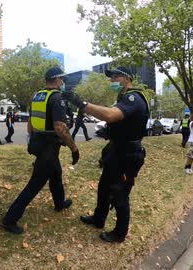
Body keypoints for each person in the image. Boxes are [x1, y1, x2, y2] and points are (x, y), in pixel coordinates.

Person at [63, 66, 149, 243]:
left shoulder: (134, 98)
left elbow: (110, 115)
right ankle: (98, 218)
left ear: (126, 79)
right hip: (116, 151)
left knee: (120, 194)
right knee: (103, 187)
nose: (111, 81)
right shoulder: (123, 98)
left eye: (115, 77)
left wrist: (82, 104)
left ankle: (119, 234)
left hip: (128, 155)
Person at [0, 67, 78, 235]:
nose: (63, 82)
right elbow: (60, 127)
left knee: (56, 173)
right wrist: (73, 147)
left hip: (38, 141)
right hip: (49, 146)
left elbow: (31, 120)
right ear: (56, 80)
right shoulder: (57, 98)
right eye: (62, 79)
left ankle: (59, 203)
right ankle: (9, 219)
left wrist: (30, 137)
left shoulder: (37, 96)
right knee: (35, 184)